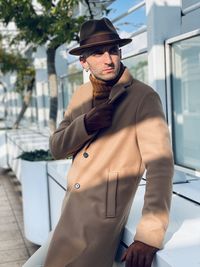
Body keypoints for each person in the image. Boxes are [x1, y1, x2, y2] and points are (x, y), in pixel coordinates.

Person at [23, 17, 174, 267]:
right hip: (69, 213)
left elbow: (160, 167)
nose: (108, 59)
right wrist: (86, 124)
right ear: (84, 62)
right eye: (97, 53)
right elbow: (57, 146)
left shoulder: (143, 97)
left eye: (113, 50)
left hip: (100, 224)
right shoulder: (81, 95)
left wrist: (149, 235)